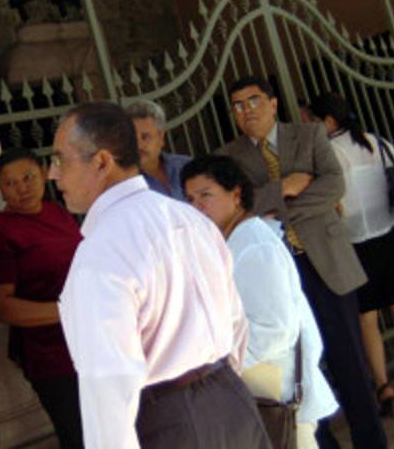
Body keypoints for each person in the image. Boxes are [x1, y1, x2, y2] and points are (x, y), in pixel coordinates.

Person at [49, 102, 270, 449]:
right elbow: (235, 322)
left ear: (102, 162)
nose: (53, 174)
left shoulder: (101, 252)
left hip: (171, 419)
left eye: (61, 160)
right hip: (230, 399)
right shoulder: (190, 219)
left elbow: (109, 381)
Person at [215, 76, 385, 449]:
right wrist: (284, 188)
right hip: (278, 276)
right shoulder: (228, 157)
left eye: (254, 101)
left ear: (273, 103)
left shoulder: (308, 136)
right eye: (238, 105)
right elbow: (241, 205)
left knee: (350, 362)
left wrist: (276, 212)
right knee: (298, 367)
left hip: (326, 264)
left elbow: (334, 185)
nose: (247, 111)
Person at [181, 155, 339, 449]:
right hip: (262, 396)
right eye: (190, 199)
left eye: (206, 195)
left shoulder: (254, 246)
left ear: (236, 194)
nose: (197, 207)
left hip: (277, 395)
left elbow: (275, 329)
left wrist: (221, 364)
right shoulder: (234, 242)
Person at [307, 92, 394, 417]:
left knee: (367, 317)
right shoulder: (377, 143)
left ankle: (383, 385)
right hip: (391, 232)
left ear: (328, 121)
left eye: (311, 120)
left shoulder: (326, 153)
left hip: (353, 241)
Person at [0, 148, 84, 448]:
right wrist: (68, 311)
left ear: (44, 173)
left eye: (28, 177)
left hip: (92, 342)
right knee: (80, 436)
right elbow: (1, 308)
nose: (22, 188)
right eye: (10, 183)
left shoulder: (58, 212)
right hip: (51, 356)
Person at [126, 99, 192, 200]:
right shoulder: (126, 183)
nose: (138, 145)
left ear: (161, 137)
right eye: (132, 138)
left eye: (145, 137)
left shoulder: (186, 166)